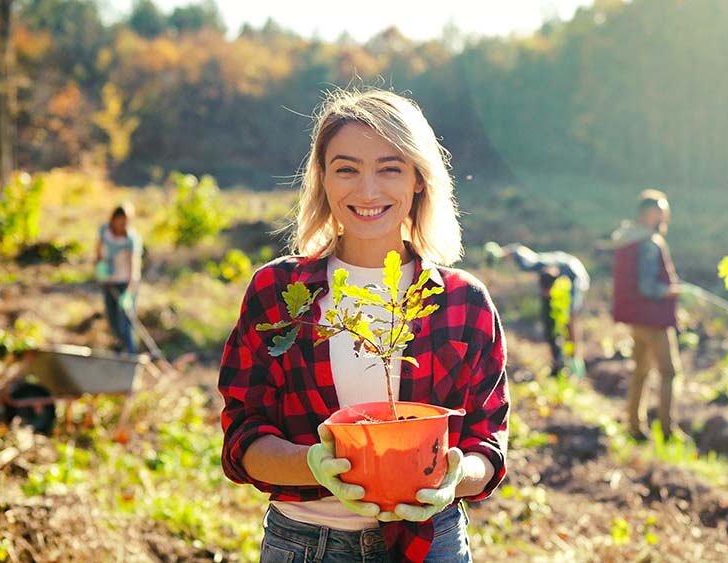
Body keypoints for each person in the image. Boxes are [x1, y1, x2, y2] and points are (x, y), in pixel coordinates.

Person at [218, 89, 509, 563]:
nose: (368, 191)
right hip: (307, 544)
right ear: (324, 179)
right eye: (347, 168)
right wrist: (315, 465)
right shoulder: (278, 292)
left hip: (429, 542)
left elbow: (487, 441)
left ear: (418, 179)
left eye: (390, 168)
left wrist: (455, 475)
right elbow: (243, 435)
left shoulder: (462, 302)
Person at [610, 189, 683, 441]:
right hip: (654, 320)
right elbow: (648, 287)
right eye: (662, 210)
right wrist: (675, 291)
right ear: (651, 213)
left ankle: (634, 424)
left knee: (640, 370)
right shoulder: (649, 243)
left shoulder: (628, 239)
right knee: (669, 372)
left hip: (636, 319)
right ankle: (667, 429)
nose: (665, 216)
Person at [485, 242, 589, 376]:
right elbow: (517, 250)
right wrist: (500, 253)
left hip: (576, 276)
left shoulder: (574, 283)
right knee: (550, 322)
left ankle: (573, 360)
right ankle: (558, 361)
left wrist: (576, 356)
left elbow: (572, 320)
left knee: (568, 319)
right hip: (561, 274)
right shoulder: (534, 264)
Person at [95, 203, 142, 355]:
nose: (123, 225)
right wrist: (101, 269)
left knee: (126, 321)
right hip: (108, 281)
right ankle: (119, 351)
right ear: (114, 219)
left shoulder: (131, 239)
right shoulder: (104, 231)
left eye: (126, 222)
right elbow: (98, 254)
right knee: (113, 320)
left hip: (125, 283)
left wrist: (128, 294)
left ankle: (131, 355)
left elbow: (134, 270)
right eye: (120, 221)